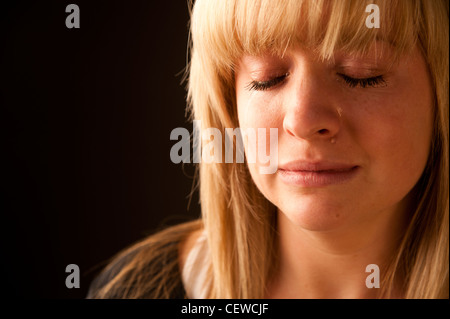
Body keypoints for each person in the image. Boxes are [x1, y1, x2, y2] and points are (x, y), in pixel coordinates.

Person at [87, 0, 449, 299]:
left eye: (361, 73)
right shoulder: (138, 290)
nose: (303, 119)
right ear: (229, 108)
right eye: (267, 78)